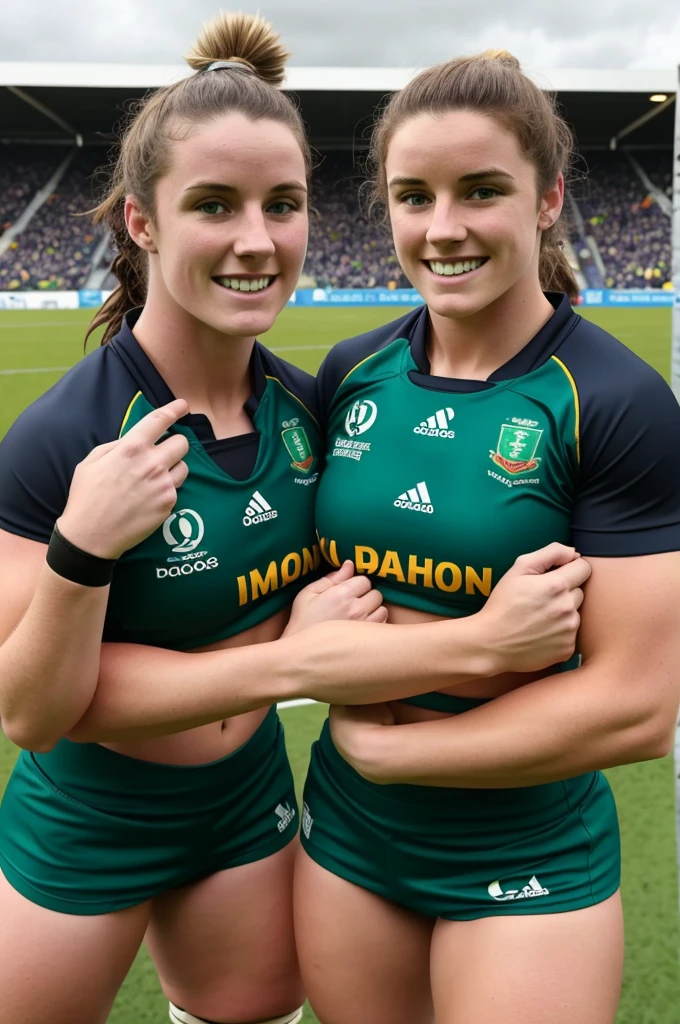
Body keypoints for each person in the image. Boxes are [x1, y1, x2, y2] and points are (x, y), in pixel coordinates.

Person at [0, 20, 590, 1024]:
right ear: (142, 222)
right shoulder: (67, 438)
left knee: (255, 1005)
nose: (256, 241)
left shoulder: (310, 407)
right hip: (90, 819)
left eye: (283, 205)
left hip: (249, 808)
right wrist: (80, 550)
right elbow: (30, 711)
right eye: (214, 206)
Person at [295, 50, 680, 1024]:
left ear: (547, 198)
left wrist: (395, 755)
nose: (442, 226)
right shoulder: (352, 368)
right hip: (345, 836)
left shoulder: (615, 401)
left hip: (523, 847)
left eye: (480, 191)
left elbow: (634, 706)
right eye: (411, 195)